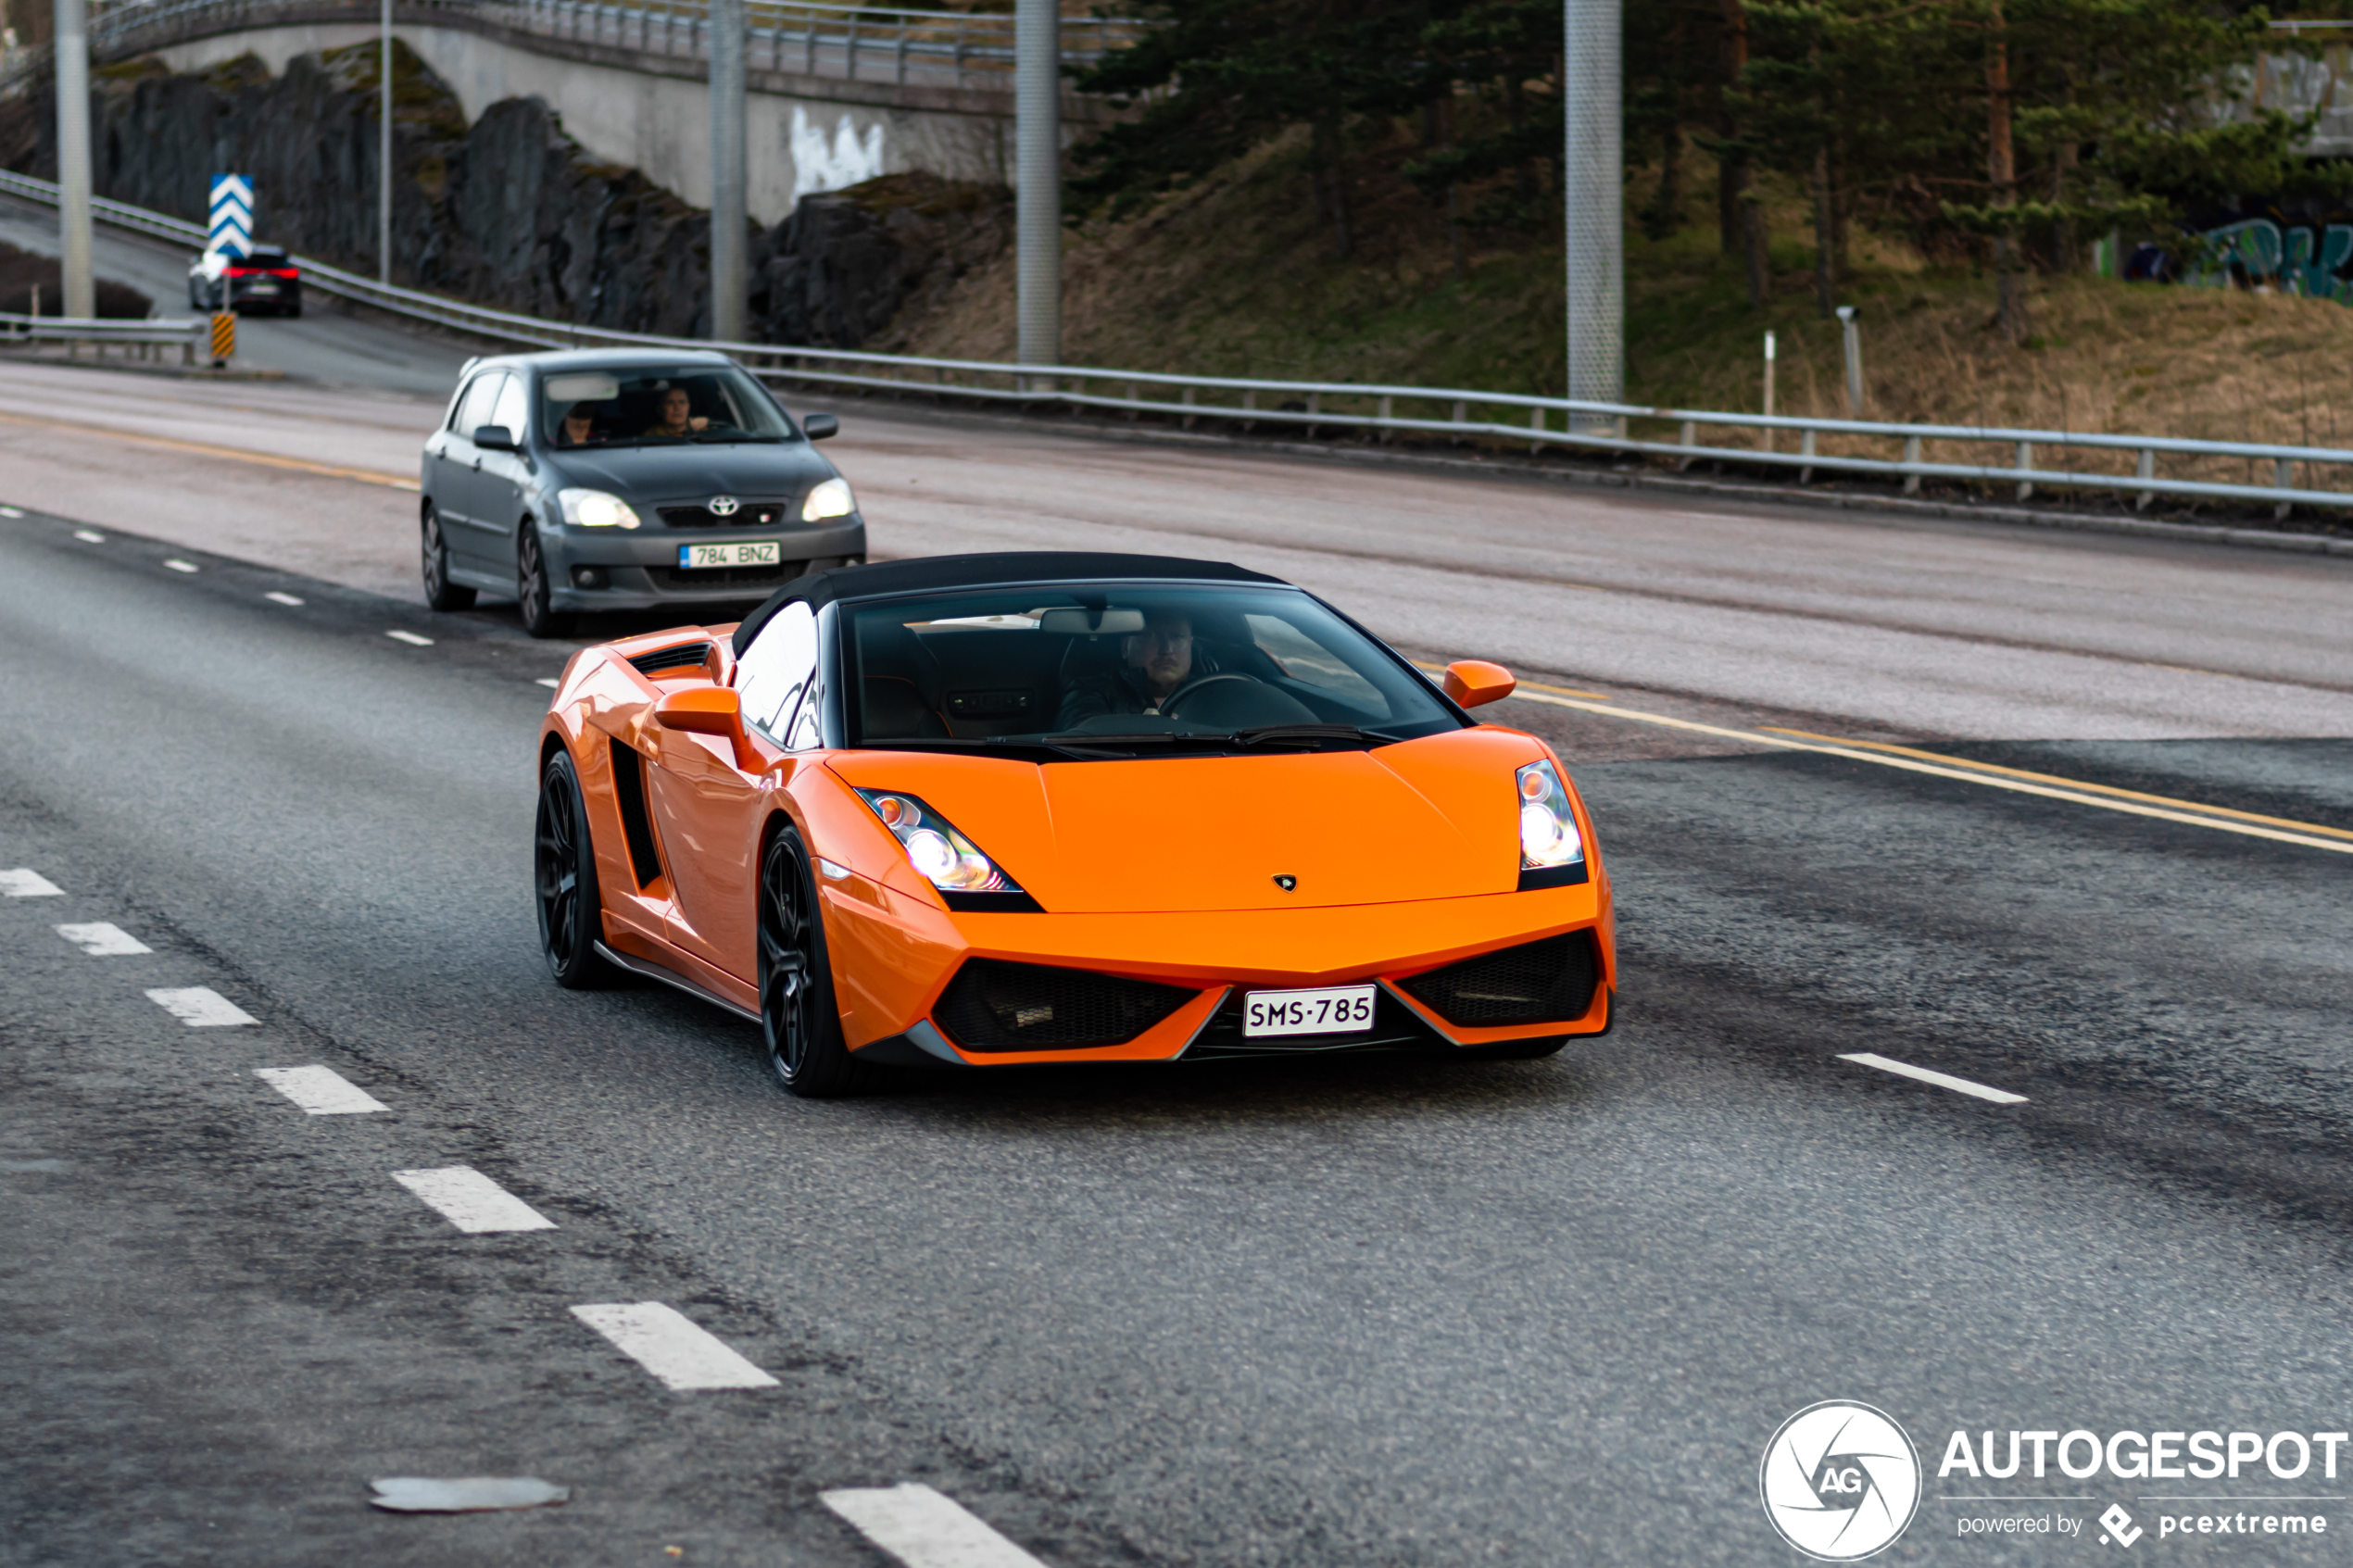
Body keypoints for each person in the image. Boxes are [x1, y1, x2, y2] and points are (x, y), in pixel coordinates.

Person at [1055, 608, 1218, 728]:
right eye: (1151, 636)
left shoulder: (1214, 694)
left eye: (1177, 636)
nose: (1166, 649)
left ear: (1190, 644)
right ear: (1125, 646)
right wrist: (1141, 731)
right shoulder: (1089, 691)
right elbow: (1080, 746)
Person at [644, 383, 710, 437]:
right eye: (670, 402)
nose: (677, 407)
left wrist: (709, 424)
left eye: (682, 402)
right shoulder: (652, 434)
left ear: (688, 407)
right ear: (659, 409)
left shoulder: (702, 428)